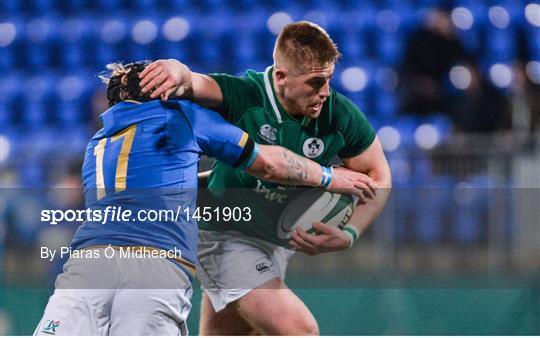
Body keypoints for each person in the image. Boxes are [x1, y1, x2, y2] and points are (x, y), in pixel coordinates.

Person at [33, 61, 377, 336]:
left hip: (89, 263)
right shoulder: (180, 114)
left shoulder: (99, 140)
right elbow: (269, 164)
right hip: (156, 265)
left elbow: (161, 189)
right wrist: (330, 176)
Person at [140, 21, 392, 335]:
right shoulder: (246, 94)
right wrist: (177, 70)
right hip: (223, 233)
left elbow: (378, 174)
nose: (325, 92)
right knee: (299, 330)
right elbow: (193, 83)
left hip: (273, 244)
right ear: (281, 77)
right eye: (315, 82)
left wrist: (351, 233)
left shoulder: (338, 113)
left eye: (328, 80)